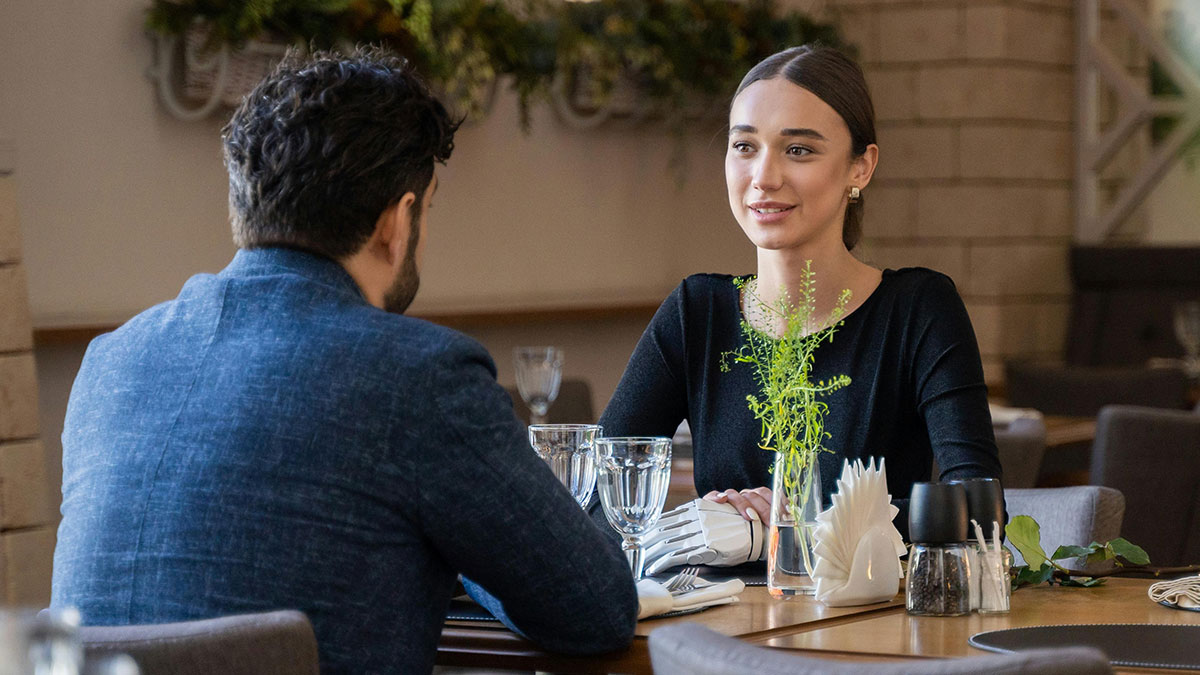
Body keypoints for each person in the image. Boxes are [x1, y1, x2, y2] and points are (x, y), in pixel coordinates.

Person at [51, 48, 637, 674]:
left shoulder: (109, 364)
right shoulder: (418, 377)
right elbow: (594, 607)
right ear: (398, 220)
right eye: (428, 209)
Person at [598, 45, 1001, 540]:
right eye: (744, 146)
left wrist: (795, 525)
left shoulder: (920, 309)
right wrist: (711, 520)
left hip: (868, 615)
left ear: (861, 168)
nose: (764, 178)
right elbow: (596, 501)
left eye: (798, 150)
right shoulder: (696, 312)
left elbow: (979, 513)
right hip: (720, 614)